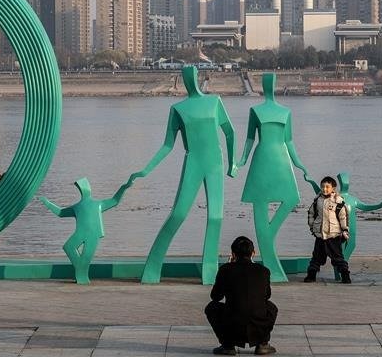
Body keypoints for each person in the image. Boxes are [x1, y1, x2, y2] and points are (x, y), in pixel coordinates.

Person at [127, 66, 237, 285]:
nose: (191, 80)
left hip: (215, 162)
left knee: (215, 217)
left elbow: (229, 132)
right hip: (193, 161)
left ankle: (210, 273)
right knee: (178, 214)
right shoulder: (177, 109)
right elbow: (167, 145)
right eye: (187, 77)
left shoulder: (214, 102)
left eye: (193, 76)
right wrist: (146, 169)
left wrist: (232, 163)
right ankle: (152, 269)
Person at [238, 73, 315, 282]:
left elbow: (289, 142)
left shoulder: (286, 112)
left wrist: (300, 165)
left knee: (292, 199)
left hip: (281, 160)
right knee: (260, 206)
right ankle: (271, 264)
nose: (269, 85)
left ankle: (268, 237)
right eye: (266, 83)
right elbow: (249, 140)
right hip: (261, 159)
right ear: (263, 86)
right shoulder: (255, 110)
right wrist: (241, 161)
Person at [39, 177, 132, 284]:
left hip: (92, 233)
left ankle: (81, 274)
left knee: (82, 254)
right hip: (84, 233)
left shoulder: (97, 204)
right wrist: (47, 203)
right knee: (69, 247)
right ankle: (81, 271)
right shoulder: (79, 206)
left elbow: (115, 200)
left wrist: (124, 187)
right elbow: (61, 212)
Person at [205, 236, 277, 356]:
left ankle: (228, 345)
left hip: (232, 326)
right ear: (253, 253)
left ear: (233, 254)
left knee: (212, 307)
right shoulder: (263, 271)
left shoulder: (225, 269)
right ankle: (262, 343)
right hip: (258, 325)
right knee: (271, 307)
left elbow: (215, 297)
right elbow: (267, 296)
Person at [303, 176, 351, 284]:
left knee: (338, 258)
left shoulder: (338, 202)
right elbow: (311, 213)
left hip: (333, 235)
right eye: (323, 187)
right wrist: (312, 226)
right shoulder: (317, 201)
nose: (324, 189)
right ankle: (311, 275)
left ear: (333, 189)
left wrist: (345, 230)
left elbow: (343, 217)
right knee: (316, 258)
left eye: (327, 187)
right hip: (320, 235)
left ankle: (345, 275)